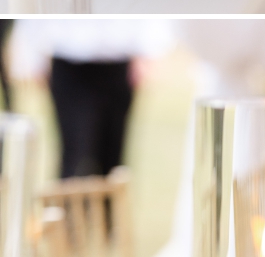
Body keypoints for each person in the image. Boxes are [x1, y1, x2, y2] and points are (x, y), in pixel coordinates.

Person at [10, 21, 173, 178]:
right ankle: (67, 205)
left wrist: (148, 49)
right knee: (76, 155)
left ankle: (110, 206)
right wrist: (32, 57)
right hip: (69, 58)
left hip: (118, 58)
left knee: (113, 157)